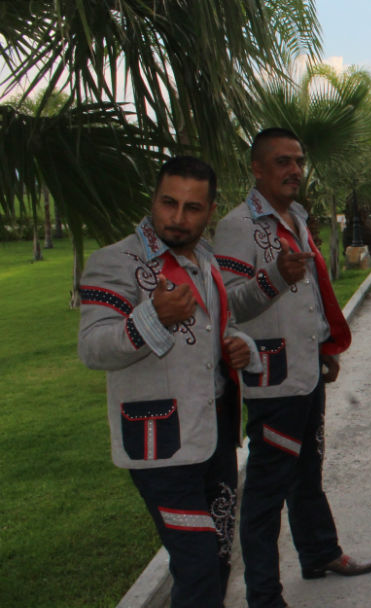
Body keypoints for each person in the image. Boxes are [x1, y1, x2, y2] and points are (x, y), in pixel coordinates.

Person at [78, 156, 259, 607]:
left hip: (214, 434)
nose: (178, 219)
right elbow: (93, 348)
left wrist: (238, 347)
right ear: (153, 199)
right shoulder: (114, 262)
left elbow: (220, 327)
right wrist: (152, 317)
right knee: (197, 561)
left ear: (211, 210)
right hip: (158, 442)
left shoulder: (205, 259)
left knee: (216, 558)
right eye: (168, 203)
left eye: (193, 208)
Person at [214, 128, 371, 608]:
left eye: (298, 161)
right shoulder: (238, 225)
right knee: (266, 491)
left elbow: (310, 296)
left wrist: (325, 347)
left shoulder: (297, 217)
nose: (294, 170)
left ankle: (319, 552)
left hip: (305, 372)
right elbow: (228, 307)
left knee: (308, 471)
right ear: (257, 170)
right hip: (273, 382)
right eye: (282, 162)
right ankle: (264, 594)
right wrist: (271, 280)